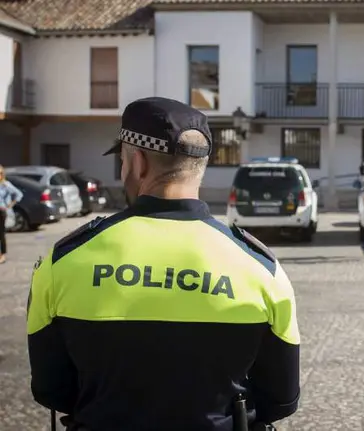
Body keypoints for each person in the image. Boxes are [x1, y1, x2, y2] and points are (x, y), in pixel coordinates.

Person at [26, 97, 300, 431]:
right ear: (199, 166)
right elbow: (281, 399)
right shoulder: (262, 269)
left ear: (138, 162)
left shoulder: (62, 262)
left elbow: (52, 391)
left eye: (122, 162)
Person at [0, 165, 23, 264]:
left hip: (1, 211)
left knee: (1, 234)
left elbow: (19, 194)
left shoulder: (5, 184)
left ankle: (3, 255)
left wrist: (9, 205)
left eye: (0, 173)